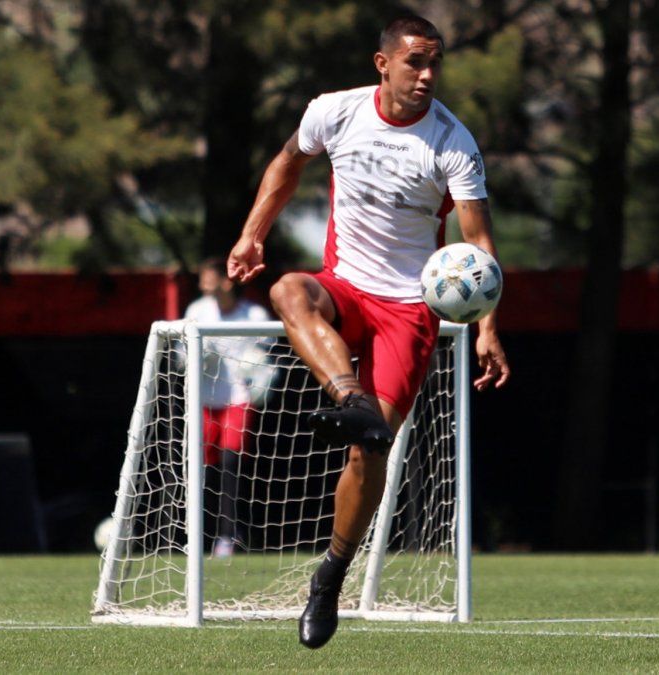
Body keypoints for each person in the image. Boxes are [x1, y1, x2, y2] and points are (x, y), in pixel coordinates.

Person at [226, 14, 510, 648]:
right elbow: (284, 165)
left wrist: (488, 326)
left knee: (369, 451)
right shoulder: (335, 111)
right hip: (346, 286)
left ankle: (331, 574)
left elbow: (479, 242)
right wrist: (251, 235)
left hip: (410, 308)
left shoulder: (452, 142)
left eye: (435, 62)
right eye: (415, 62)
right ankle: (349, 399)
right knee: (286, 290)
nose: (427, 74)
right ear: (383, 64)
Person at [184, 257, 272, 559]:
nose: (201, 284)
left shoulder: (255, 315)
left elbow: (265, 359)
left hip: (238, 397)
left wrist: (261, 374)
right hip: (205, 399)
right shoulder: (197, 312)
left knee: (232, 462)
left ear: (225, 280)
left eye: (207, 277)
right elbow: (182, 359)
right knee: (204, 466)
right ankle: (200, 534)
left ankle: (230, 534)